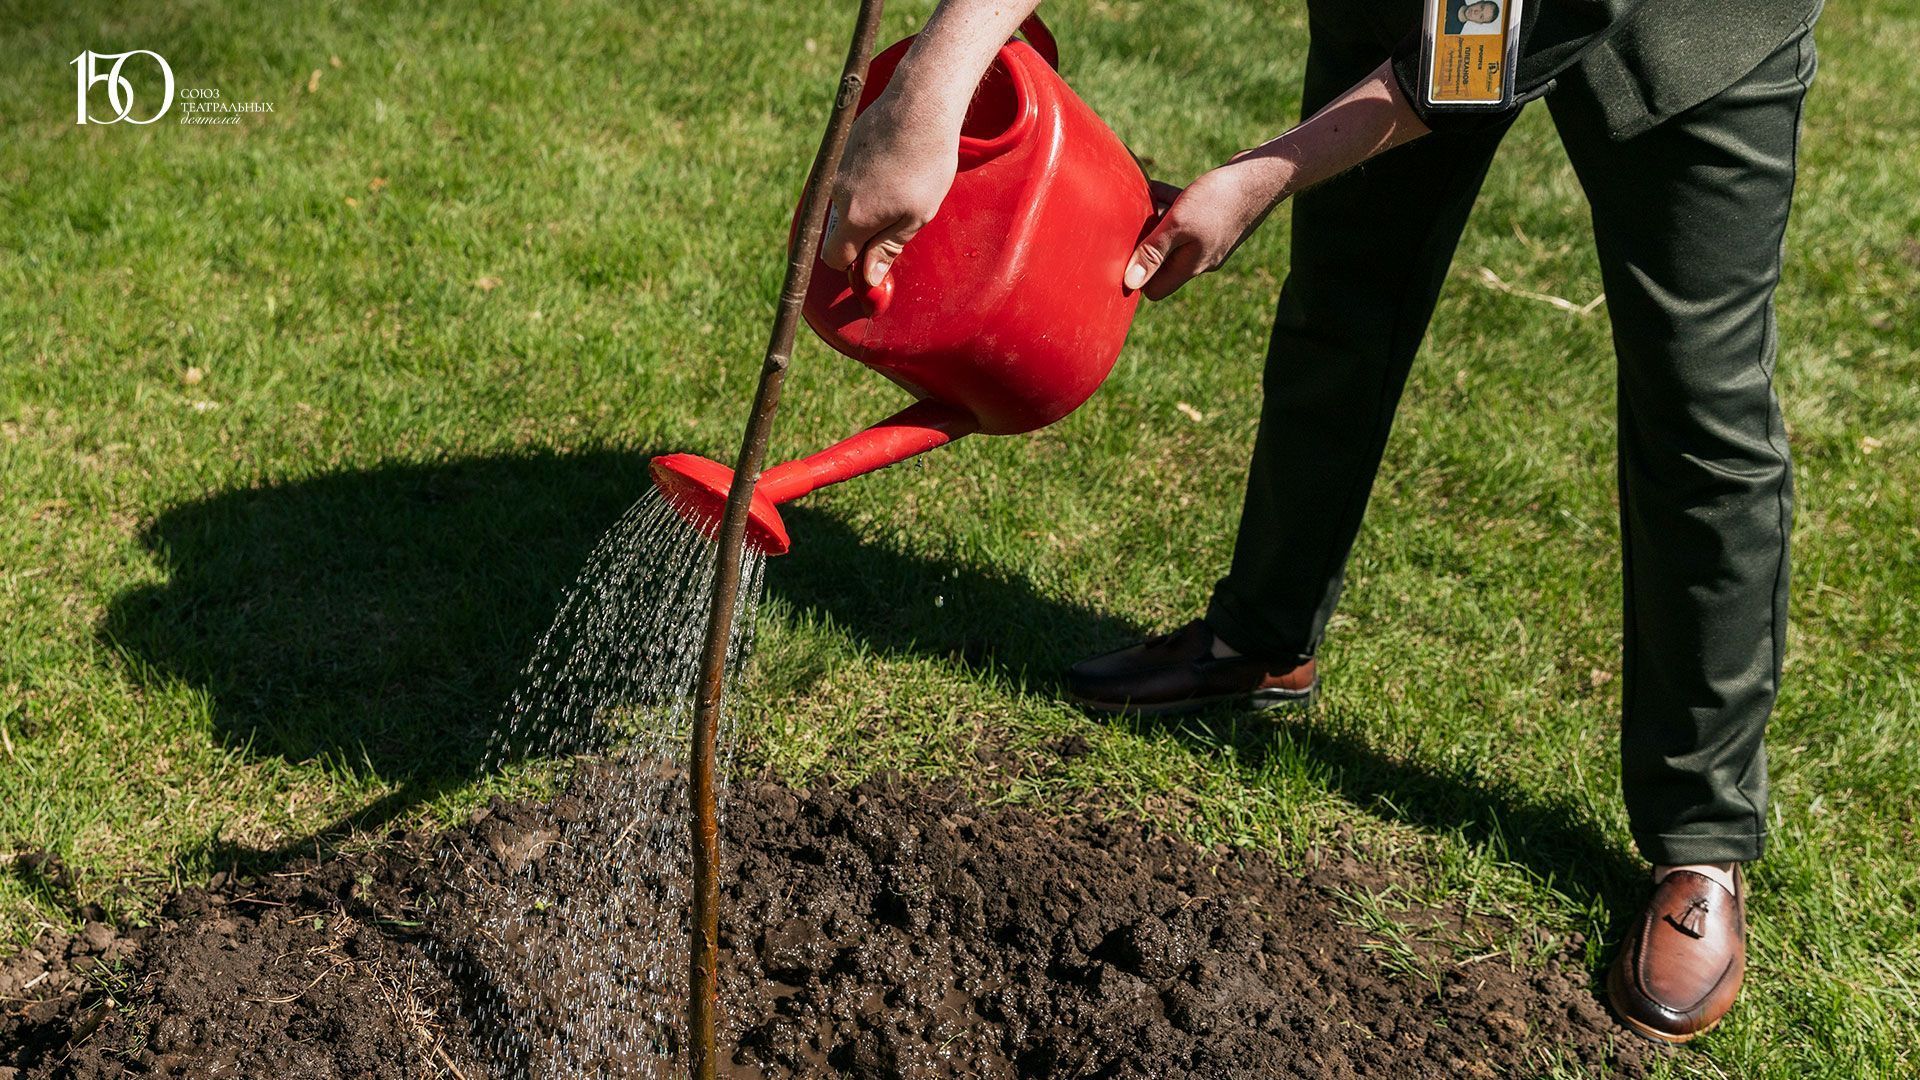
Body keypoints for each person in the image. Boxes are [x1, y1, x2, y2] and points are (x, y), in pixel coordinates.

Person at [821, 0, 1820, 1044]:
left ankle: (1701, 836)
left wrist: (1265, 175)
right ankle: (1262, 636)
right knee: (1345, 303)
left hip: (1693, 24)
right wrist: (933, 84)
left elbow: (1503, 38)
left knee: (1697, 410)